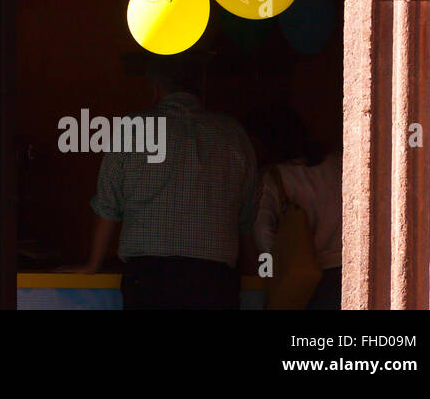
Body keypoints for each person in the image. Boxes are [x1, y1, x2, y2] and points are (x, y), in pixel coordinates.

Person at [67, 57, 259, 309]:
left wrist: (93, 264)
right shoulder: (233, 135)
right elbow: (246, 217)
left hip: (149, 280)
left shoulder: (132, 130)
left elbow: (108, 206)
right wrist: (257, 272)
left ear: (155, 87)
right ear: (200, 84)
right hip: (214, 280)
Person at [248, 106, 342, 309]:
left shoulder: (275, 178)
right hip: (354, 269)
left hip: (306, 277)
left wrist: (272, 271)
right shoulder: (340, 163)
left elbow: (263, 235)